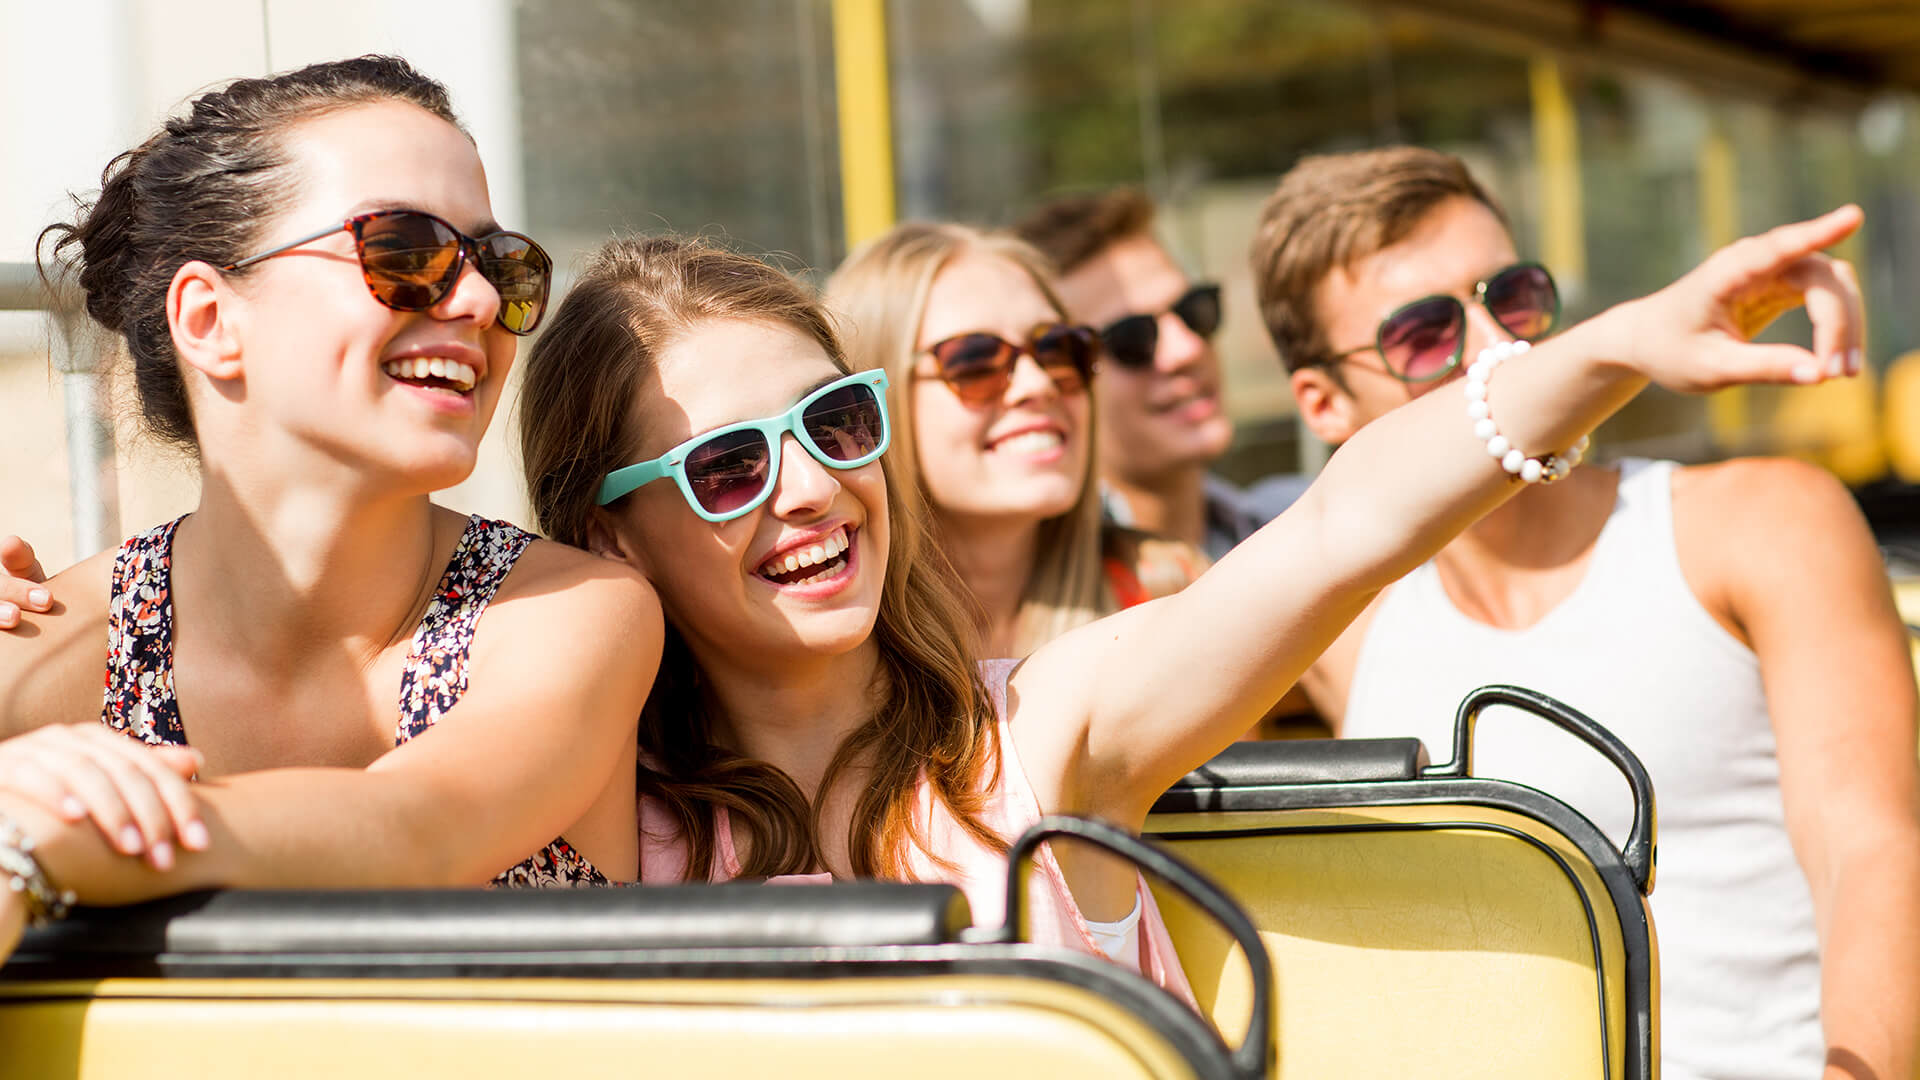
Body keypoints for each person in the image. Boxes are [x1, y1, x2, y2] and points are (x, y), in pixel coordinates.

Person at [507, 196, 1862, 991]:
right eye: (732, 465)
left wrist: (1612, 347)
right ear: (610, 538)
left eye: (839, 423)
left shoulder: (1038, 735)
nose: (810, 488)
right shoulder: (598, 827)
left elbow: (1345, 525)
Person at [1249, 145, 1919, 1080]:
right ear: (1321, 401)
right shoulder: (1343, 622)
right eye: (1425, 333)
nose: (1498, 346)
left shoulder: (1755, 523)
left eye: (1513, 296)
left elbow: (1873, 856)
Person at [0, 58, 660, 963]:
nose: (475, 302)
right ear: (208, 320)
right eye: (402, 250)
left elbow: (417, 832)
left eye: (502, 267)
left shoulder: (573, 614)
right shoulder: (39, 652)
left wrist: (51, 829)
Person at [823, 223, 1205, 657]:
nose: (1037, 383)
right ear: (873, 405)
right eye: (975, 362)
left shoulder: (1171, 595)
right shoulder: (828, 653)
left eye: (1061, 350)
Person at [1014, 188, 1305, 562]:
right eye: (1132, 338)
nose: (1187, 350)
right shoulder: (1044, 604)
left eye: (1193, 311)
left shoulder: (1299, 522)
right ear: (1056, 384)